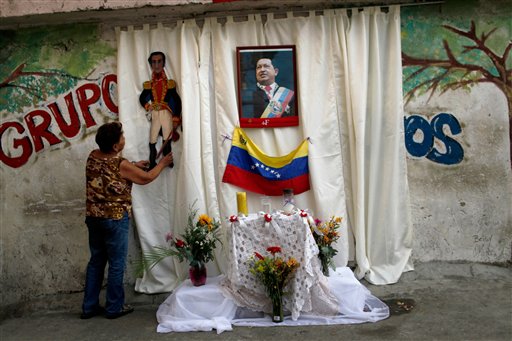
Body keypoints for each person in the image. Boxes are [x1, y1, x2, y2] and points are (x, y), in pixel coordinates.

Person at [81, 121, 173, 320]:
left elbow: (111, 170)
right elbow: (146, 178)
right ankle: (114, 307)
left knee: (96, 261)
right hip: (114, 219)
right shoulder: (119, 164)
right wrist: (163, 163)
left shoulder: (92, 157)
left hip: (94, 217)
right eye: (122, 137)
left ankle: (89, 307)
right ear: (115, 146)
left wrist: (133, 165)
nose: (124, 139)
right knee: (116, 263)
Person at [139, 51, 182, 169]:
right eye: (154, 62)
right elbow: (142, 98)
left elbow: (177, 101)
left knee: (166, 138)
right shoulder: (149, 84)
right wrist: (148, 106)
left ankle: (167, 160)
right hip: (155, 114)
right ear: (151, 64)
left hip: (166, 113)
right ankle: (152, 161)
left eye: (159, 62)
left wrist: (175, 118)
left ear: (163, 63)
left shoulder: (170, 84)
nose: (156, 65)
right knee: (152, 138)